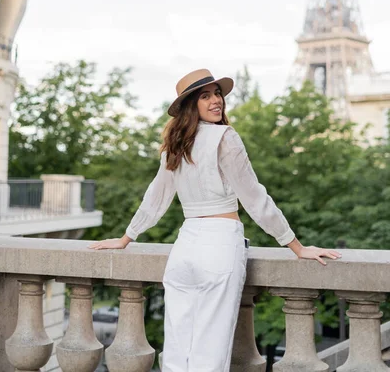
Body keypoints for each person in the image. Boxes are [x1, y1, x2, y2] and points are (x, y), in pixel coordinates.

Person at [89, 68, 341, 372]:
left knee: (176, 358)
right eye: (205, 96)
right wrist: (297, 247)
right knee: (209, 360)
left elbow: (156, 197)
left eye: (217, 93)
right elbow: (254, 198)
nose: (215, 101)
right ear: (190, 105)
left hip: (183, 250)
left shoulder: (176, 144)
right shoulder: (225, 137)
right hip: (219, 246)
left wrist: (126, 237)